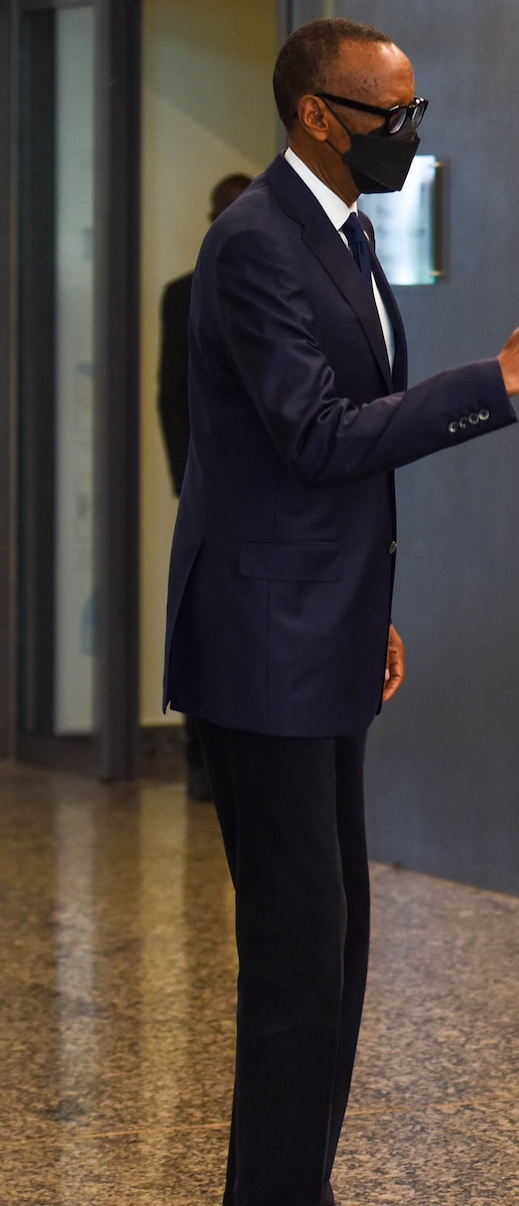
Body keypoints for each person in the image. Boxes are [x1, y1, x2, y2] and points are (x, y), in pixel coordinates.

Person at [164, 18, 519, 1206]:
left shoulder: (337, 233)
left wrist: (367, 609)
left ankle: (297, 1196)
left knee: (344, 936)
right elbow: (315, 436)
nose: (411, 136)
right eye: (391, 115)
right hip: (257, 647)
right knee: (298, 952)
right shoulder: (252, 243)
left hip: (317, 630)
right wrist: (502, 375)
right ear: (317, 114)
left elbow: (314, 466)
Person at [160, 172, 252, 804]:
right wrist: (188, 482)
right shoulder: (184, 293)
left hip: (262, 487)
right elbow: (174, 395)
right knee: (205, 621)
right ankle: (200, 756)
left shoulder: (276, 281)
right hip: (206, 486)